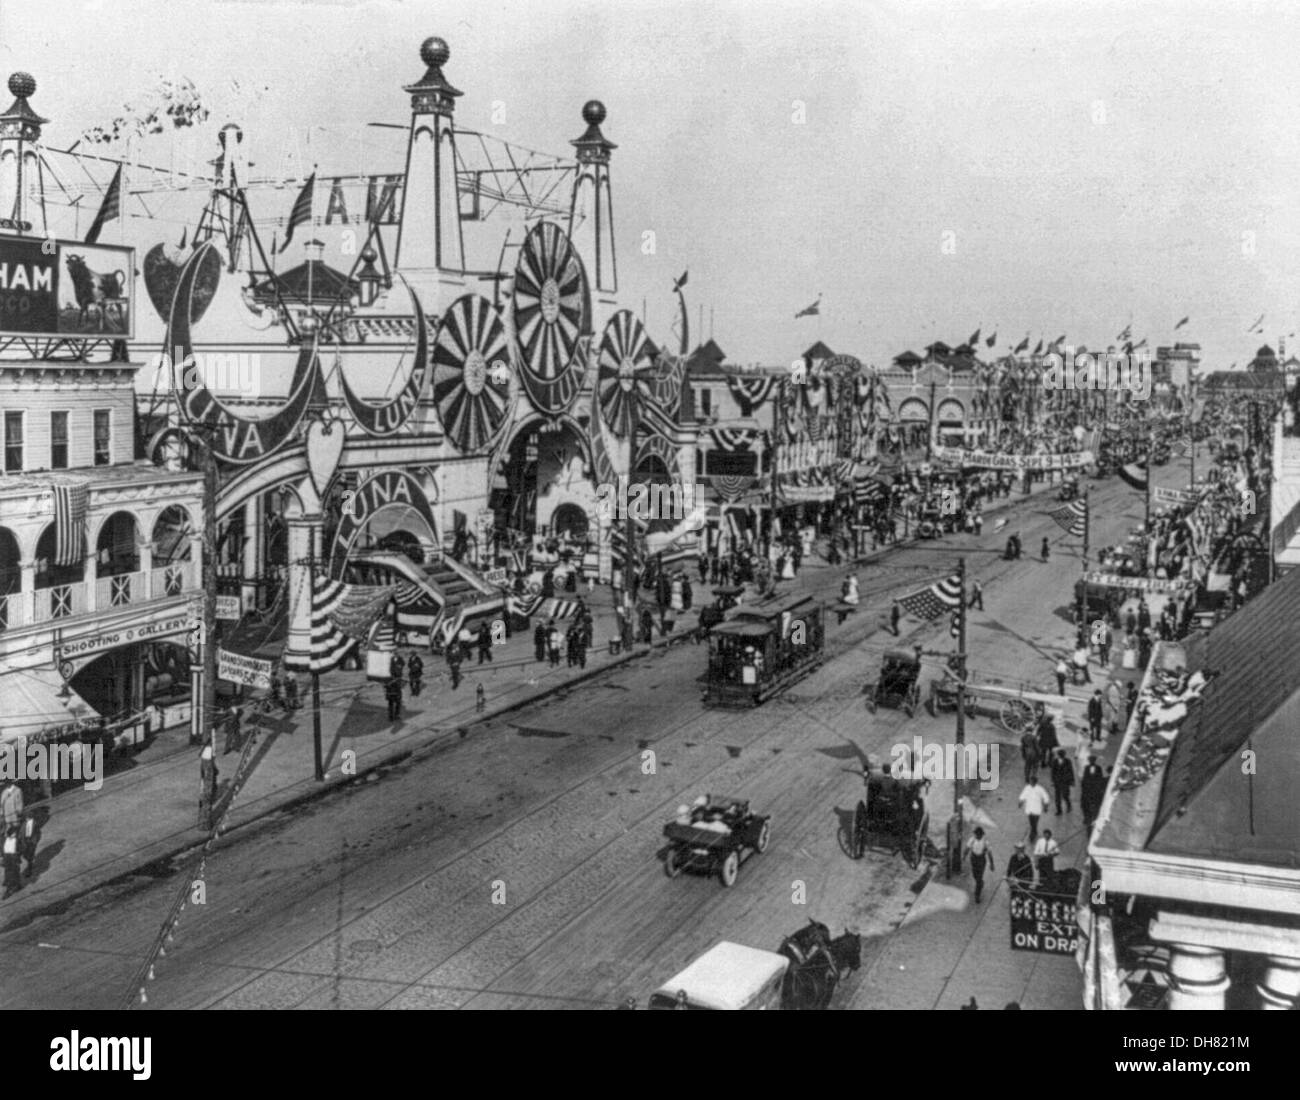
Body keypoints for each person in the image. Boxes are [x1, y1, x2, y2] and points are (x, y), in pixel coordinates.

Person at [965, 826, 995, 904]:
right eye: (976, 834)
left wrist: (992, 864)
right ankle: (980, 883)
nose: (977, 835)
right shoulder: (972, 840)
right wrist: (964, 856)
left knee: (979, 877)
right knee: (975, 875)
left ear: (981, 834)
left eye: (979, 834)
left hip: (981, 860)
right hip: (974, 859)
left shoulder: (985, 842)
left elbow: (989, 853)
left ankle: (977, 894)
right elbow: (967, 848)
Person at [1018, 777, 1051, 844]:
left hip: (1037, 809)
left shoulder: (1040, 789)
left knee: (1034, 822)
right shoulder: (1027, 788)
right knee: (1031, 822)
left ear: (1035, 782)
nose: (1031, 783)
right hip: (1029, 808)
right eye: (1030, 781)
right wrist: (1020, 802)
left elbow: (1045, 797)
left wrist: (1046, 806)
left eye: (1032, 782)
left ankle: (1032, 834)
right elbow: (1023, 795)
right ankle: (1034, 831)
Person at [1081, 754, 1107, 830]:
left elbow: (1100, 777)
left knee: (1095, 804)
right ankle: (1086, 818)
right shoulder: (1086, 767)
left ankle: (1094, 818)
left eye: (1092, 760)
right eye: (1090, 760)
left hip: (1095, 789)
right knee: (1086, 804)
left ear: (1094, 761)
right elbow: (1085, 777)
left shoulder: (1098, 768)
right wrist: (1084, 787)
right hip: (1088, 789)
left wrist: (1099, 787)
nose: (1091, 761)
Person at [1049, 747, 1075, 815]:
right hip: (1057, 781)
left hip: (1065, 781)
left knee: (1065, 795)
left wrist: (1072, 781)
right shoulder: (1055, 761)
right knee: (1057, 797)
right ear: (1058, 754)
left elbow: (1071, 771)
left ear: (1064, 755)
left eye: (1062, 754)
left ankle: (1069, 806)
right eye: (1060, 754)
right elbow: (1052, 772)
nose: (1061, 755)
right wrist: (1052, 780)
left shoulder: (1068, 761)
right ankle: (1059, 810)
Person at [198, 744, 219, 829]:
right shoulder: (209, 764)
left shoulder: (203, 762)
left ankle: (202, 823)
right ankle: (205, 824)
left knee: (203, 803)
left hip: (204, 787)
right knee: (206, 803)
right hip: (207, 788)